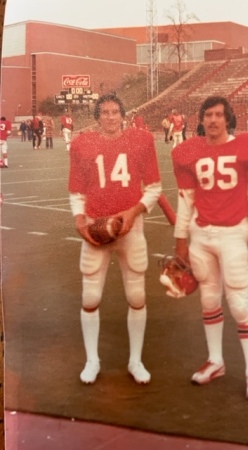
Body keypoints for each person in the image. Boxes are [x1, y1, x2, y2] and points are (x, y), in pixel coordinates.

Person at [171, 95, 248, 400]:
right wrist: (181, 242)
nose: (213, 120)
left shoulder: (245, 147)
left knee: (239, 303)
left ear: (228, 118)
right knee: (209, 300)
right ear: (201, 120)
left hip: (233, 235)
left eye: (218, 115)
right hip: (201, 236)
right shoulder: (189, 152)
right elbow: (185, 201)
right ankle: (216, 361)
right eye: (208, 115)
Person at [68, 93, 162, 385]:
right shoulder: (82, 144)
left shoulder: (141, 140)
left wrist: (133, 213)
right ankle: (92, 360)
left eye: (114, 112)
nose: (110, 117)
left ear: (123, 114)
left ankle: (136, 360)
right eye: (104, 112)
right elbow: (76, 192)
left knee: (136, 296)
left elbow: (154, 188)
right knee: (90, 296)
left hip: (130, 229)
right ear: (97, 117)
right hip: (96, 226)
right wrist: (80, 222)